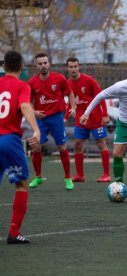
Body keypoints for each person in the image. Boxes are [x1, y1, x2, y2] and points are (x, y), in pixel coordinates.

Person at [0, 50, 41, 244]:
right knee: (22, 185)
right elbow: (25, 106)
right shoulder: (22, 86)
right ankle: (14, 232)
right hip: (8, 140)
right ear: (22, 67)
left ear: (4, 67)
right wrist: (36, 130)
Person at [28, 52, 76, 190]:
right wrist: (35, 112)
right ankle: (38, 177)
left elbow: (70, 93)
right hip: (41, 120)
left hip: (56, 117)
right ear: (36, 66)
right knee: (36, 147)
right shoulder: (32, 82)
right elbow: (28, 102)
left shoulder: (59, 78)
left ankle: (68, 178)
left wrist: (73, 107)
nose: (43, 66)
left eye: (45, 63)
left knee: (62, 147)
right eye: (40, 64)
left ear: (49, 64)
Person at [65, 57, 111, 182]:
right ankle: (80, 175)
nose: (73, 69)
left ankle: (106, 174)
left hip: (95, 118)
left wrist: (105, 114)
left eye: (75, 66)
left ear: (78, 67)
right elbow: (71, 102)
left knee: (101, 143)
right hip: (81, 120)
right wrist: (65, 117)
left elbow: (101, 96)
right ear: (67, 68)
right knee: (77, 144)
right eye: (71, 67)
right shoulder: (68, 83)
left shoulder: (89, 80)